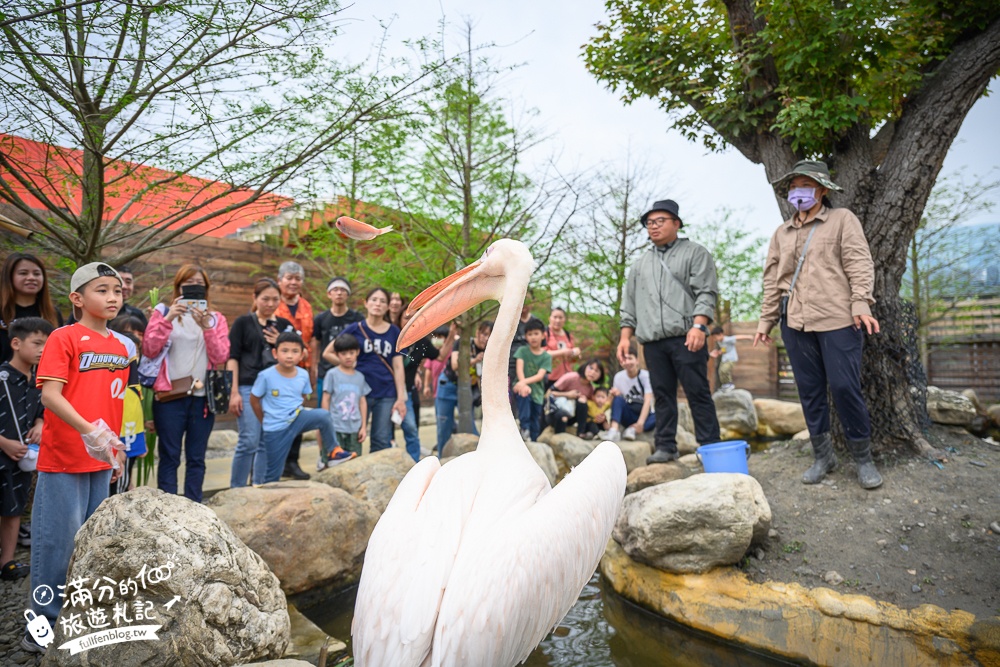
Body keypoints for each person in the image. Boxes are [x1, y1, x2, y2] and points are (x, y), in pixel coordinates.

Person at [754, 160, 882, 490]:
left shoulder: (842, 220)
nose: (799, 192)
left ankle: (863, 458)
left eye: (806, 186)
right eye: (794, 186)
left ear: (822, 191)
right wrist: (766, 321)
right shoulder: (781, 233)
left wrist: (861, 302)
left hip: (839, 318)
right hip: (794, 322)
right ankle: (823, 456)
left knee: (843, 386)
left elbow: (859, 261)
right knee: (810, 392)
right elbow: (773, 281)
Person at [26, 263, 132, 654]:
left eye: (117, 291)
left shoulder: (122, 346)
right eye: (102, 290)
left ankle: (76, 618)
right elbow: (50, 396)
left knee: (91, 543)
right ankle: (40, 629)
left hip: (102, 459)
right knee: (55, 545)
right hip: (64, 457)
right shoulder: (63, 337)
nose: (113, 297)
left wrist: (113, 447)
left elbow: (114, 400)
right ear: (76, 298)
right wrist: (89, 430)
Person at [618, 198, 721, 464]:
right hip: (652, 341)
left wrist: (700, 325)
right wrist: (625, 338)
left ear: (676, 223)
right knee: (662, 394)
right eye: (649, 223)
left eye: (660, 221)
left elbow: (706, 292)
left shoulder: (695, 253)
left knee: (697, 391)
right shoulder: (640, 264)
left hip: (688, 336)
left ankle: (710, 446)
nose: (653, 227)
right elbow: (629, 303)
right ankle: (665, 446)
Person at [144, 265, 230, 502]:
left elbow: (221, 356)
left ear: (206, 289)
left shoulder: (216, 318)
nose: (194, 288)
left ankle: (194, 507)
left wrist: (207, 328)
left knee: (196, 457)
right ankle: (168, 508)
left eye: (199, 285)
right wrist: (169, 318)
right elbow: (149, 349)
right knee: (169, 455)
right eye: (188, 284)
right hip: (169, 397)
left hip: (203, 399)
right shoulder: (163, 313)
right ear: (178, 287)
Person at [251, 332, 353, 483]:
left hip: (297, 419)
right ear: (275, 353)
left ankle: (333, 451)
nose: (289, 356)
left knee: (323, 416)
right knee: (273, 473)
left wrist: (296, 412)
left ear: (302, 355)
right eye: (284, 351)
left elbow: (303, 397)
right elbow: (254, 400)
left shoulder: (303, 375)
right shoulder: (266, 376)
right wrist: (264, 420)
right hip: (275, 428)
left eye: (295, 351)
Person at [228, 278, 294, 487]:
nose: (270, 304)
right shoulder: (243, 323)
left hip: (276, 390)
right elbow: (232, 358)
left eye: (275, 299)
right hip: (248, 387)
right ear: (255, 298)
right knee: (249, 440)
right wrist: (234, 391)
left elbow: (295, 357)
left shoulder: (285, 326)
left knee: (268, 441)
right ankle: (236, 489)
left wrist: (280, 342)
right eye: (265, 299)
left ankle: (260, 486)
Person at [323, 288, 407, 454]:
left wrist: (400, 398)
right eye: (374, 299)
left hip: (386, 392)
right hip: (358, 392)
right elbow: (328, 352)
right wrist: (347, 366)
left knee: (381, 439)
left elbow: (398, 366)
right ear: (366, 303)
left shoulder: (394, 332)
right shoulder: (355, 328)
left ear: (388, 306)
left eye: (383, 301)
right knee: (354, 435)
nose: (378, 304)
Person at [0, 318, 51, 581]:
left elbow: (42, 410)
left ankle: (6, 561)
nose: (43, 349)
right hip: (3, 449)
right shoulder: (2, 376)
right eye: (37, 343)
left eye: (46, 344)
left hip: (21, 457)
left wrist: (41, 423)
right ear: (16, 343)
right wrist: (3, 442)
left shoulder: (40, 380)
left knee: (14, 508)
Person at [274, 261, 315, 481]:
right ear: (280, 280)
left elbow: (311, 339)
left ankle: (292, 462)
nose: (293, 282)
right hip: (278, 372)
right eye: (289, 277)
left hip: (301, 371)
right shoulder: (272, 303)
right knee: (278, 417)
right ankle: (276, 462)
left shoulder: (306, 306)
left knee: (297, 416)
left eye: (297, 278)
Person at [0, 253, 63, 364]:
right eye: (23, 273)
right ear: (9, 277)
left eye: (36, 274)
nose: (31, 278)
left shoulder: (52, 313)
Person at [312, 277, 364, 398]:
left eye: (343, 290)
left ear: (348, 294)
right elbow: (316, 342)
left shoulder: (357, 318)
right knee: (324, 409)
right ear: (329, 294)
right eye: (335, 289)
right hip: (325, 371)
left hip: (351, 372)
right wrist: (314, 366)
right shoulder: (321, 318)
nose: (339, 293)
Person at [321, 334, 370, 458]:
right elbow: (326, 399)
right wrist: (326, 423)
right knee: (332, 459)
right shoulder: (332, 374)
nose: (348, 356)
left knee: (354, 459)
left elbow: (362, 402)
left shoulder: (360, 377)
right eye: (343, 353)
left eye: (351, 352)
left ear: (357, 352)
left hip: (354, 427)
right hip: (335, 427)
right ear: (337, 354)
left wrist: (363, 426)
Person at [602, 340, 656, 441]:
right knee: (618, 399)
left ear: (637, 360)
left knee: (658, 416)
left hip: (643, 415)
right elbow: (615, 402)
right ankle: (614, 431)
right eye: (624, 359)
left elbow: (648, 401)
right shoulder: (618, 377)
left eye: (630, 358)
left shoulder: (646, 376)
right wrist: (613, 395)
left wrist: (640, 423)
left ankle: (632, 430)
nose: (627, 362)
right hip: (628, 412)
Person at [513, 318, 552, 442]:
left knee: (535, 420)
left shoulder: (546, 356)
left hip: (538, 392)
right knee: (524, 400)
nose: (533, 337)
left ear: (543, 335)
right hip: (521, 387)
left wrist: (524, 382)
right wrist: (523, 384)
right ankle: (524, 429)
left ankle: (534, 440)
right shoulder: (522, 351)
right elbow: (519, 369)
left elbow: (540, 376)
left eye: (536, 334)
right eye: (529, 334)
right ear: (525, 336)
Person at [547, 358, 605, 435]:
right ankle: (559, 439)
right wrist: (568, 394)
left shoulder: (591, 389)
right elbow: (548, 393)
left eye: (597, 371)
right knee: (562, 416)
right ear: (585, 367)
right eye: (591, 368)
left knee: (583, 402)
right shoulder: (571, 377)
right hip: (555, 412)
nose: (592, 372)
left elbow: (594, 407)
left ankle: (580, 433)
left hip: (571, 416)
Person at [709, 327, 753, 391]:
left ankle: (730, 384)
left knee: (724, 370)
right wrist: (719, 352)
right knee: (720, 371)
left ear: (721, 334)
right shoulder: (719, 341)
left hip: (731, 359)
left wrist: (748, 336)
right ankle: (725, 384)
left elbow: (738, 337)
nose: (715, 339)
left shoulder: (727, 339)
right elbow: (725, 348)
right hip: (725, 359)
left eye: (715, 337)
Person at [545, 308, 581, 388]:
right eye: (555, 317)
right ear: (549, 318)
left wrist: (575, 354)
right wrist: (563, 352)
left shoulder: (568, 335)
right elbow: (541, 354)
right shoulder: (545, 333)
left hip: (566, 377)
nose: (557, 320)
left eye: (560, 318)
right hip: (549, 377)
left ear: (564, 319)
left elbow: (572, 359)